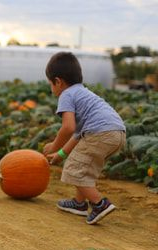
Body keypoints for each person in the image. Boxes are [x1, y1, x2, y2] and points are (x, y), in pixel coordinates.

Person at [42, 51, 126, 225]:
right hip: (116, 133)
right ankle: (79, 204)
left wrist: (54, 146)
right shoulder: (82, 92)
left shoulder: (66, 95)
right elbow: (78, 135)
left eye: (50, 84)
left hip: (100, 133)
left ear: (58, 82)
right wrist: (61, 154)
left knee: (73, 170)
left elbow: (68, 127)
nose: (51, 89)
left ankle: (99, 204)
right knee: (84, 169)